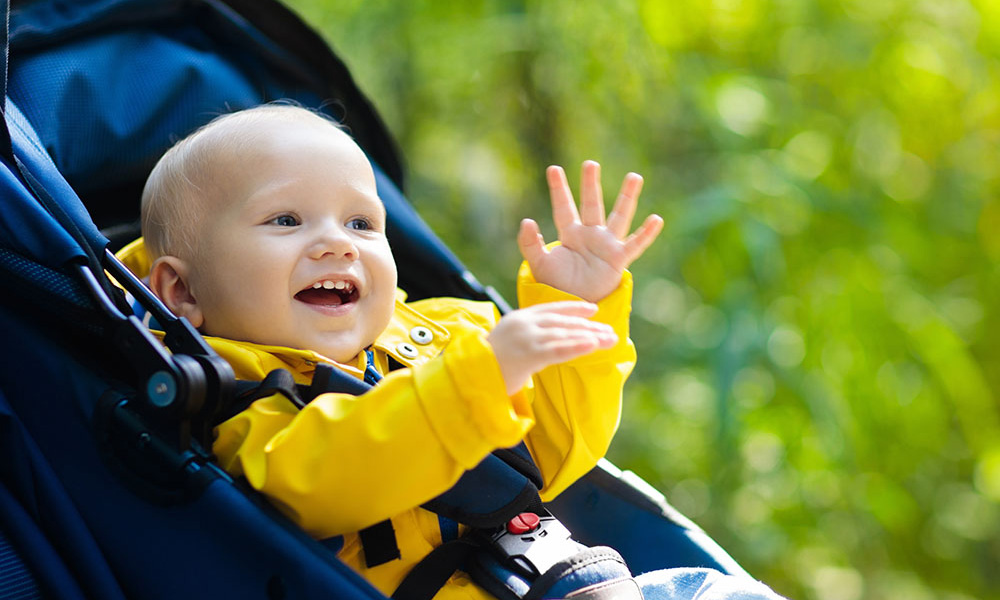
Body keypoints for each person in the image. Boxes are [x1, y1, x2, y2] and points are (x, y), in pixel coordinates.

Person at [121, 104, 785, 600]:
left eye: (360, 222)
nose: (337, 244)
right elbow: (329, 476)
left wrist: (573, 310)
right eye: (285, 221)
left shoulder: (445, 334)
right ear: (180, 290)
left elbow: (553, 452)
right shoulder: (240, 401)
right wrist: (475, 383)